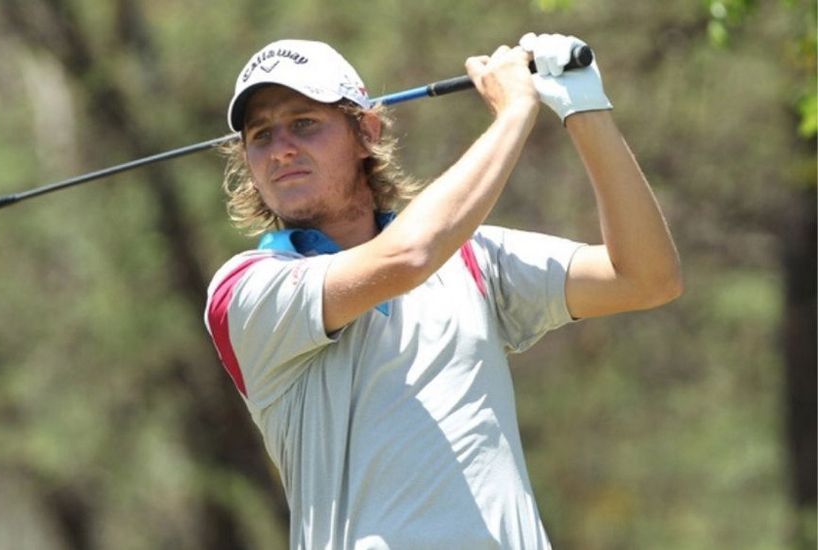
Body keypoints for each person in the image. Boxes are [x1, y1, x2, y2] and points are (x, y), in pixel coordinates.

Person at [204, 34, 682, 549]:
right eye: (261, 136)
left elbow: (646, 277)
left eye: (304, 123)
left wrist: (585, 109)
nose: (281, 149)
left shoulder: (471, 257)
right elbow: (408, 257)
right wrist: (515, 112)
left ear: (365, 131)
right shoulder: (247, 289)